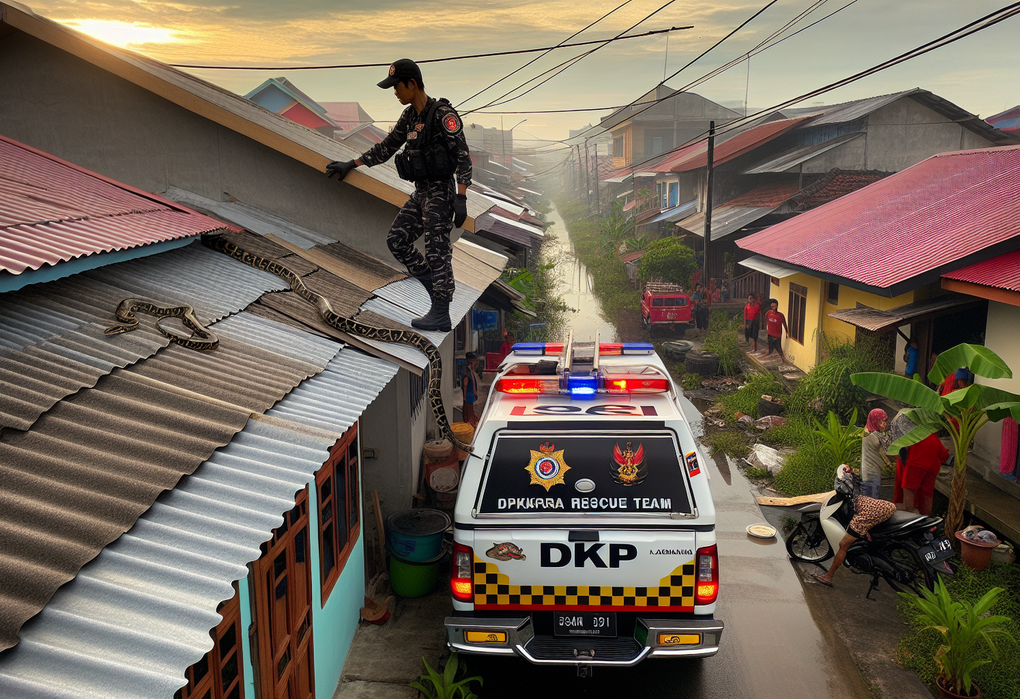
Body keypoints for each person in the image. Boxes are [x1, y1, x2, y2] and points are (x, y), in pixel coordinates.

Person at [325, 58, 471, 332]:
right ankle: (432, 289)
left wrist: (461, 197)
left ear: (412, 84)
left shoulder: (443, 115)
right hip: (422, 191)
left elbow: (463, 157)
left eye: (397, 87)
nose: (394, 93)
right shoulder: (409, 117)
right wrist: (352, 164)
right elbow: (387, 147)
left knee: (437, 250)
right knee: (397, 239)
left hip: (441, 190)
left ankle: (441, 312)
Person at [815, 464, 897, 587]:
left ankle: (829, 576)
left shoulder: (851, 502)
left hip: (872, 512)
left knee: (843, 545)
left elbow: (854, 519)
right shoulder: (857, 497)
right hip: (886, 507)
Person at [899, 433, 949, 515]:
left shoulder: (913, 434)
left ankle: (909, 513)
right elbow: (944, 456)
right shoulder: (934, 437)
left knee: (909, 489)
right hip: (932, 467)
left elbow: (902, 451)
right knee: (927, 493)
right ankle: (926, 517)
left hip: (915, 465)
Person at [860, 409, 889, 498]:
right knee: (871, 503)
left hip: (868, 473)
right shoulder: (874, 436)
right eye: (880, 421)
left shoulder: (867, 432)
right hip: (871, 474)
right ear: (875, 421)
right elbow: (888, 449)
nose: (884, 423)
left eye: (885, 420)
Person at [462, 352, 480, 427]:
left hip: (470, 396)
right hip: (468, 396)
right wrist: (465, 396)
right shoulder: (467, 371)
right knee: (469, 415)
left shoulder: (470, 370)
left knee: (469, 413)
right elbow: (465, 384)